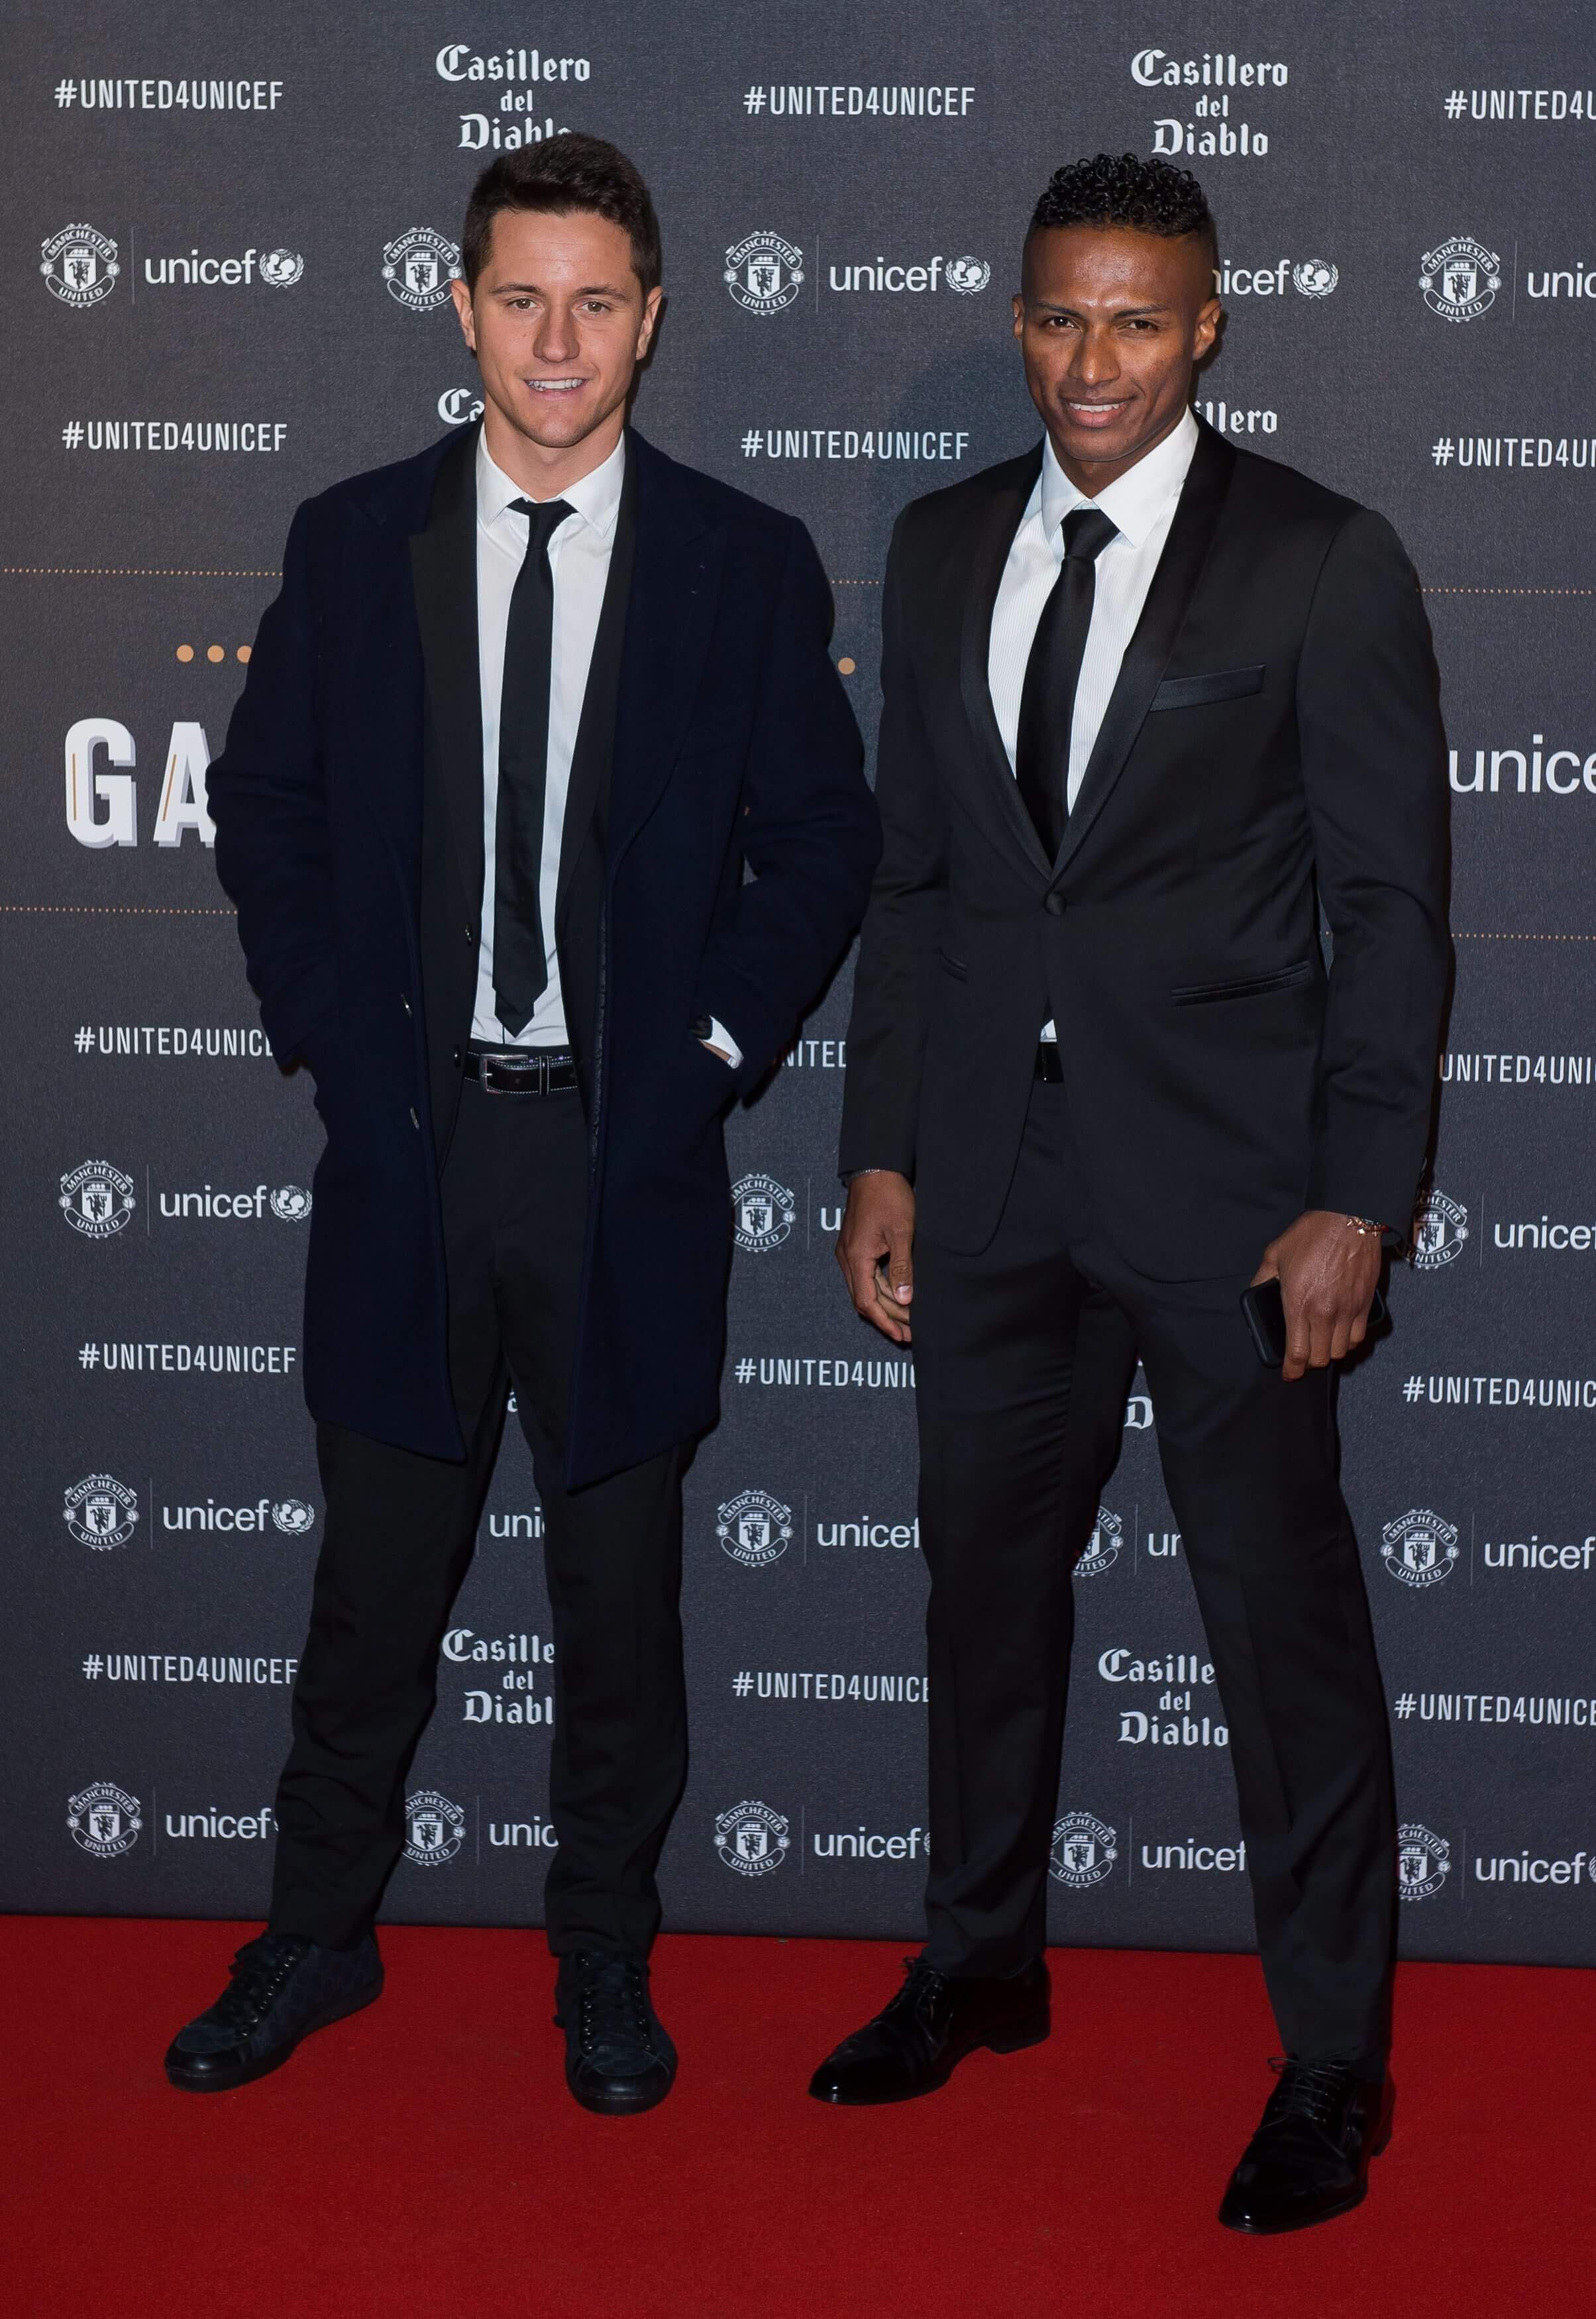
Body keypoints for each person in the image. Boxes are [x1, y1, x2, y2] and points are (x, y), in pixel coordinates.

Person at [166, 133, 878, 2115]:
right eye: (520, 298)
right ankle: (316, 1933)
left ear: (651, 320)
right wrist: (335, 1045)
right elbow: (269, 808)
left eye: (595, 302)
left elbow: (824, 836)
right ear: (462, 305)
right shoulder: (351, 542)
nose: (556, 342)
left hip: (620, 1162)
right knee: (372, 1590)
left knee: (616, 1601)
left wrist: (706, 1054)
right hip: (411, 1155)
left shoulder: (741, 563)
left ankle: (603, 1958)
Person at [812, 152, 1448, 2234]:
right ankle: (979, 1959)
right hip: (989, 1177)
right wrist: (884, 1144)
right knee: (981, 1598)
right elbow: (914, 884)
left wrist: (1359, 1195)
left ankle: (1331, 2061)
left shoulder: (1320, 559)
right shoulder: (935, 548)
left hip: (1234, 1198)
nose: (1094, 361)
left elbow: (1389, 908)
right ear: (1021, 322)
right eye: (1061, 318)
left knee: (1279, 1626)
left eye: (1137, 322)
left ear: (1205, 330)